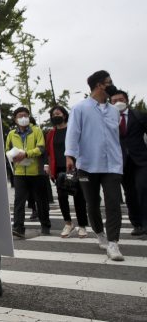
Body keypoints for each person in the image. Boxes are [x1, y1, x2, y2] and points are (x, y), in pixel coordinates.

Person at [65, 70, 124, 261]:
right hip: (87, 164)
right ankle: (100, 234)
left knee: (114, 202)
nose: (112, 84)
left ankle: (113, 243)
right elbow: (73, 133)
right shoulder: (80, 108)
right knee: (92, 202)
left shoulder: (114, 110)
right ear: (100, 85)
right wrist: (70, 155)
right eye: (109, 82)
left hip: (113, 164)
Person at [45, 106, 89, 238]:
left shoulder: (73, 129)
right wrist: (50, 169)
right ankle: (68, 223)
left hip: (75, 168)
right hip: (59, 169)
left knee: (79, 197)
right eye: (52, 115)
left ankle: (82, 226)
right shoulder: (51, 133)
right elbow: (49, 151)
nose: (55, 116)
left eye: (57, 113)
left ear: (64, 115)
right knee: (62, 197)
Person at [6, 107, 50, 238]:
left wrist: (26, 154)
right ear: (16, 119)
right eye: (20, 116)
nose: (23, 118)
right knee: (19, 200)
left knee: (41, 200)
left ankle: (45, 225)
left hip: (36, 171)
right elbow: (7, 149)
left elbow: (41, 148)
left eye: (26, 115)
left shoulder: (36, 131)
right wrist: (12, 157)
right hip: (19, 173)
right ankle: (19, 227)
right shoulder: (11, 134)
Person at [111, 90, 147, 236]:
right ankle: (137, 224)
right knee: (130, 193)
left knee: (143, 188)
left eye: (121, 99)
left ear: (126, 101)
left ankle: (145, 223)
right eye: (114, 101)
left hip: (141, 160)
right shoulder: (109, 119)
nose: (118, 102)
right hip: (121, 162)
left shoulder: (140, 116)